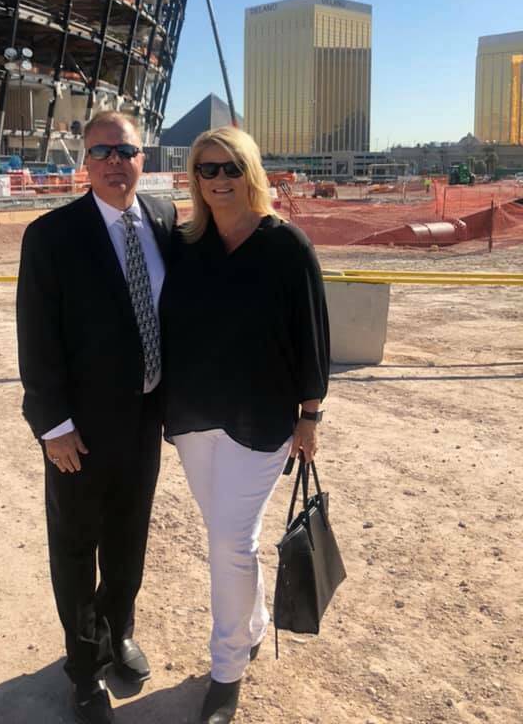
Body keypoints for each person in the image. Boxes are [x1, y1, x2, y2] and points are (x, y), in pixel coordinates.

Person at [161, 127, 330, 724]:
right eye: (207, 170)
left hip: (259, 418)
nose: (219, 180)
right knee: (230, 538)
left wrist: (310, 417)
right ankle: (252, 623)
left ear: (250, 170)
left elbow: (312, 338)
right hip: (192, 417)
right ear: (194, 177)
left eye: (231, 167)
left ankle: (226, 668)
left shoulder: (286, 244)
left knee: (229, 542)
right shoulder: (184, 243)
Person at [16, 111, 176, 724]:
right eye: (103, 151)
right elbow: (36, 334)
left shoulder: (162, 218)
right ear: (85, 162)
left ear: (143, 158)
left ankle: (119, 632)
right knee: (78, 548)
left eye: (127, 150)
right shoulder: (52, 235)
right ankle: (83, 669)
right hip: (78, 431)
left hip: (145, 417)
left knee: (129, 539)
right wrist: (52, 424)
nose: (116, 161)